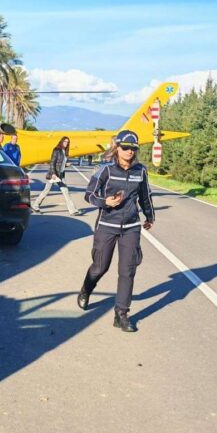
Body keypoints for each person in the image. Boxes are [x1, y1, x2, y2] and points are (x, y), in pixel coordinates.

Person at [78, 130, 154, 332]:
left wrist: (150, 217)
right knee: (100, 267)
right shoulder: (105, 170)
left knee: (127, 271)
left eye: (133, 149)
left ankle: (121, 314)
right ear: (117, 148)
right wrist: (105, 202)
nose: (129, 152)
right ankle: (86, 289)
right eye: (125, 148)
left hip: (131, 227)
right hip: (107, 225)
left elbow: (145, 196)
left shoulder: (141, 171)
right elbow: (89, 195)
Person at [32, 136, 82, 215]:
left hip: (61, 175)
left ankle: (73, 210)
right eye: (65, 141)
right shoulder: (57, 150)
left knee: (66, 191)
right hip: (54, 174)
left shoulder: (64, 151)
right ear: (61, 141)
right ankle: (35, 206)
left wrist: (66, 164)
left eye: (67, 142)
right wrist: (54, 173)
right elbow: (52, 163)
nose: (66, 143)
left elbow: (60, 164)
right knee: (46, 190)